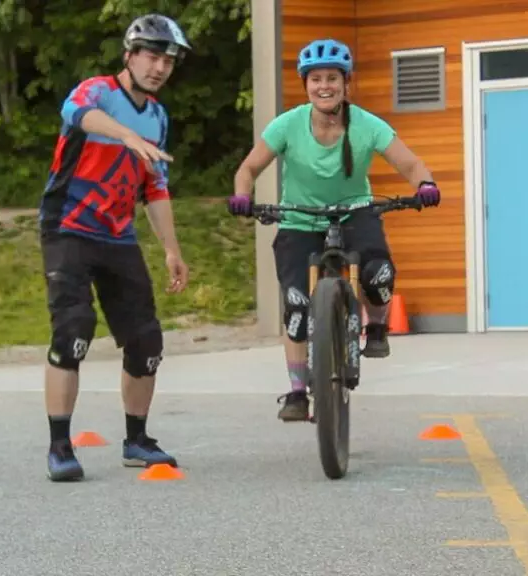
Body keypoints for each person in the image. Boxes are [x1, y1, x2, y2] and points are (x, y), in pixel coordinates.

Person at [226, 38, 441, 422]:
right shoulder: (288, 124)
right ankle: (296, 393)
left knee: (379, 275)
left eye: (332, 78)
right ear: (305, 85)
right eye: (316, 79)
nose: (324, 86)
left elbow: (409, 164)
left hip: (355, 214)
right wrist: (243, 194)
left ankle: (375, 329)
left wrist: (424, 185)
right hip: (299, 219)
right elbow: (248, 168)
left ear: (346, 84)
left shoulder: (367, 125)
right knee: (296, 306)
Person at [36, 13, 192, 481]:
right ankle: (60, 446)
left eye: (168, 60)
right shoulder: (98, 91)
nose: (159, 67)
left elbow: (155, 189)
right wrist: (126, 134)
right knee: (74, 329)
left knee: (146, 340)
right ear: (129, 54)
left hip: (118, 235)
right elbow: (78, 115)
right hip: (68, 228)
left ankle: (137, 440)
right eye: (151, 55)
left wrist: (171, 250)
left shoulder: (158, 117)